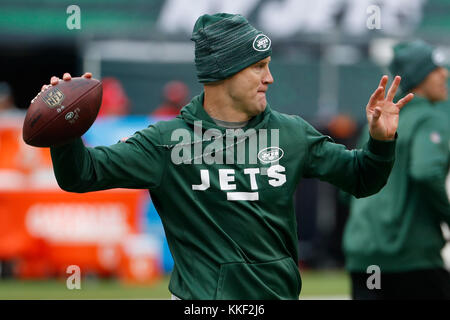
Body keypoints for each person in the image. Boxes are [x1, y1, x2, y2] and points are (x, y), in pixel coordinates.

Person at [41, 13, 413, 300]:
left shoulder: (292, 133)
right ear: (223, 72)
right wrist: (65, 130)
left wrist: (381, 141)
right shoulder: (165, 142)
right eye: (258, 67)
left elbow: (363, 178)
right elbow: (81, 175)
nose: (270, 78)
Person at [342, 40, 450, 299]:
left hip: (362, 252)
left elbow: (349, 187)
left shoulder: (379, 121)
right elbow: (426, 172)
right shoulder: (430, 117)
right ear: (421, 77)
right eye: (435, 69)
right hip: (410, 255)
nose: (444, 73)